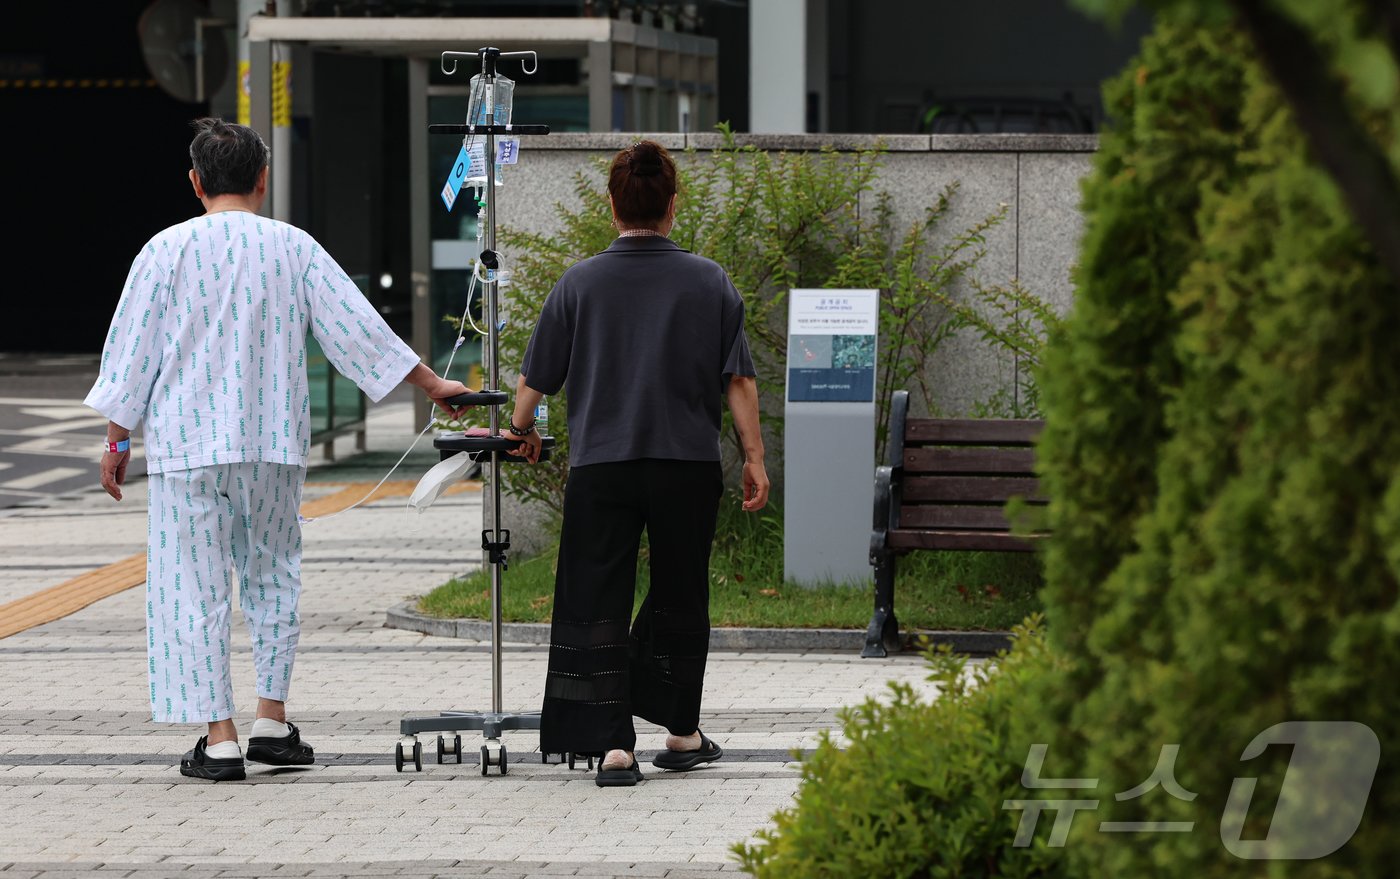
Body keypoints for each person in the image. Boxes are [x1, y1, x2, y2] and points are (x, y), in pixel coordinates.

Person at [84, 118, 472, 782]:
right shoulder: (292, 248)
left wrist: (118, 438)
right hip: (270, 441)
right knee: (273, 574)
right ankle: (272, 719)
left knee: (191, 585)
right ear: (264, 180)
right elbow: (357, 329)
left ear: (195, 182)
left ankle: (220, 736)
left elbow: (131, 355)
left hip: (188, 446)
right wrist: (434, 384)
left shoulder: (162, 251)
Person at [507, 140, 770, 787]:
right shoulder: (709, 281)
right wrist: (755, 457)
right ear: (673, 206)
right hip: (685, 464)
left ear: (612, 204)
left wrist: (523, 431)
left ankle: (613, 747)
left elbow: (536, 380)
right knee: (682, 590)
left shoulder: (580, 282)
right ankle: (681, 733)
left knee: (597, 592)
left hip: (603, 466)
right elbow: (738, 379)